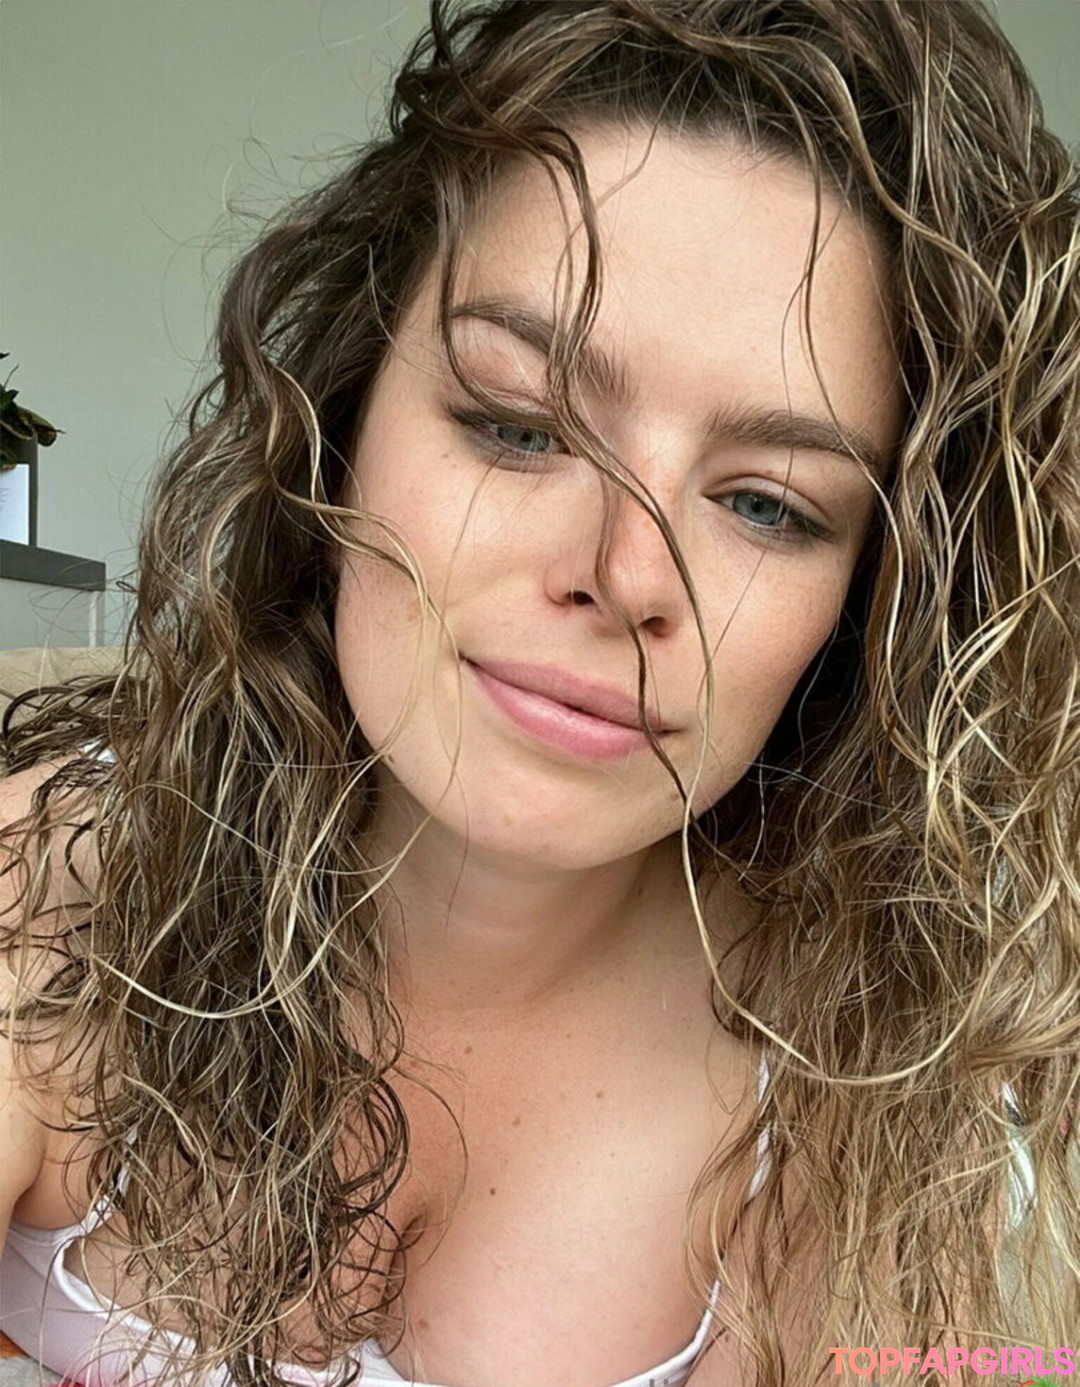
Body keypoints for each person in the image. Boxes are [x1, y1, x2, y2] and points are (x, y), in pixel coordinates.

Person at [1, 1, 1078, 1384]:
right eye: (516, 426)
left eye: (766, 504)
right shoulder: (55, 886)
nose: (623, 574)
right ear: (339, 424)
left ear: (872, 602)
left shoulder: (887, 1112)